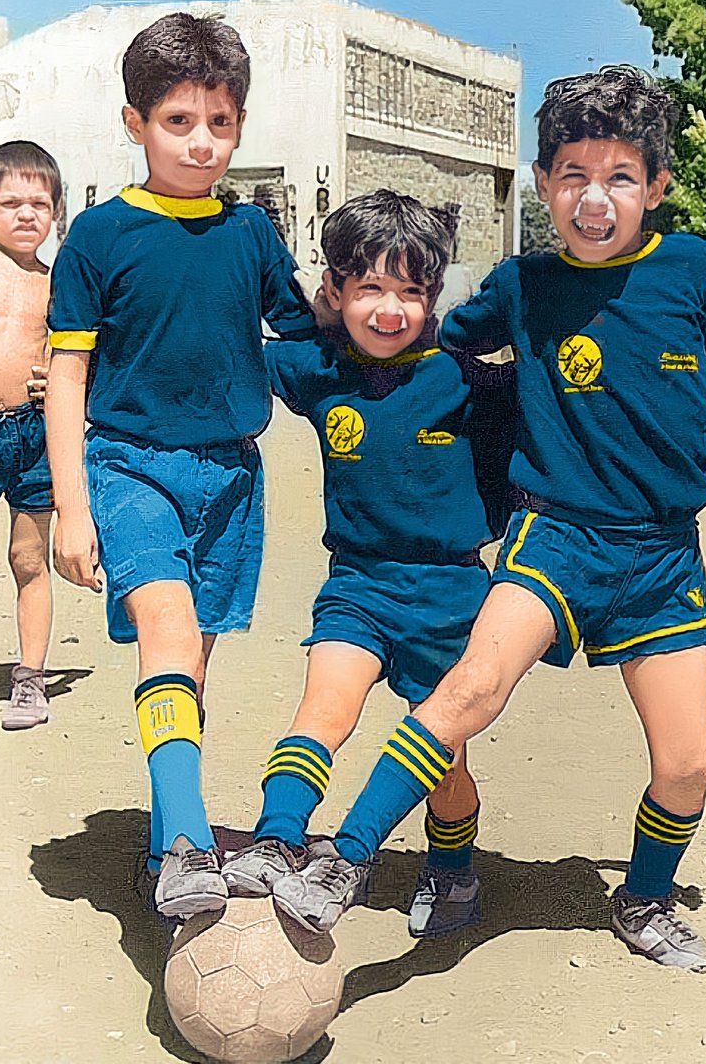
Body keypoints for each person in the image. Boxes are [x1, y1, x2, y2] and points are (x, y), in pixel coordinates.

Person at [271, 66, 706, 971]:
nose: (594, 200)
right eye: (571, 177)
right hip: (553, 534)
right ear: (545, 182)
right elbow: (425, 335)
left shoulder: (694, 269)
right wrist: (338, 316)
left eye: (620, 178)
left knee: (690, 761)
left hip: (663, 556)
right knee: (468, 691)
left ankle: (643, 899)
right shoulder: (520, 285)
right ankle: (345, 861)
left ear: (656, 186)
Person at [46, 12, 315, 919]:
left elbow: (305, 338)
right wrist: (73, 508)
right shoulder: (99, 236)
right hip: (130, 468)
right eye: (178, 122)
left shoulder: (252, 234)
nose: (202, 143)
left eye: (221, 123)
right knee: (165, 636)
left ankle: (168, 843)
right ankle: (194, 845)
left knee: (191, 668)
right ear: (136, 123)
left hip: (232, 479)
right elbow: (69, 375)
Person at [222, 190, 514, 938]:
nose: (390, 310)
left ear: (434, 297)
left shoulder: (468, 381)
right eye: (370, 290)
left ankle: (451, 873)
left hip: (452, 598)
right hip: (355, 584)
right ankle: (278, 839)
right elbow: (212, 353)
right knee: (324, 708)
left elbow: (564, 415)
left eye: (411, 292)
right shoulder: (317, 369)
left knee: (442, 766)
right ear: (336, 293)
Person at [0, 142, 61, 731]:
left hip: (31, 432)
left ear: (56, 213)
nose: (27, 215)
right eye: (12, 203)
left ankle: (30, 680)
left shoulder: (56, 281)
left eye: (40, 204)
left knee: (30, 558)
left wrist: (63, 379)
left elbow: (77, 352)